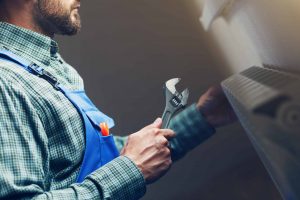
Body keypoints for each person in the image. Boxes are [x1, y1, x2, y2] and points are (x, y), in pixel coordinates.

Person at [0, 0, 236, 199]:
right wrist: (131, 170)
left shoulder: (50, 64)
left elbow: (98, 161)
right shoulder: (6, 82)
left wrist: (203, 117)